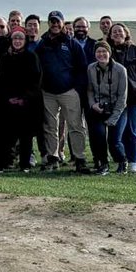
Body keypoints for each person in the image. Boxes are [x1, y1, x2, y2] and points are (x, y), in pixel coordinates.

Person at [36, 11, 89, 173]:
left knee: (75, 125)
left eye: (57, 22)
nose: (55, 24)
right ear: (48, 23)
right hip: (48, 92)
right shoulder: (42, 44)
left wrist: (76, 88)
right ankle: (53, 158)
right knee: (50, 126)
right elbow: (37, 66)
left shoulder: (71, 44)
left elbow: (82, 68)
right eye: (52, 22)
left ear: (63, 23)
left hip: (69, 91)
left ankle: (80, 158)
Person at [0, 27, 43, 171]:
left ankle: (25, 165)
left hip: (27, 103)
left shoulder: (32, 57)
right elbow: (0, 82)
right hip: (7, 103)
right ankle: (3, 163)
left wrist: (24, 98)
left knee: (26, 136)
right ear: (11, 40)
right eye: (15, 38)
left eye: (21, 38)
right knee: (5, 135)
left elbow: (36, 80)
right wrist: (9, 98)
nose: (18, 41)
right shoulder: (4, 58)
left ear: (25, 40)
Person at [109, 23, 136, 175]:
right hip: (115, 99)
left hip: (134, 97)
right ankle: (122, 159)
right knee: (117, 133)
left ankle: (134, 161)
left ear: (126, 33)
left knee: (133, 131)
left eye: (120, 31)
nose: (117, 34)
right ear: (110, 35)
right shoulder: (108, 51)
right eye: (114, 32)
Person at [85, 40, 128, 175]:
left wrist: (114, 117)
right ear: (95, 54)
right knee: (98, 136)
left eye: (104, 51)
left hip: (118, 108)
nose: (101, 54)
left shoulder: (120, 70)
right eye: (98, 52)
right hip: (99, 108)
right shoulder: (90, 68)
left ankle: (122, 161)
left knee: (114, 141)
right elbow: (90, 90)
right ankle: (103, 164)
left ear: (109, 53)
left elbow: (122, 96)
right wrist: (93, 105)